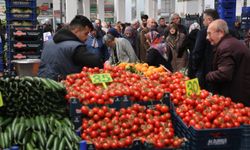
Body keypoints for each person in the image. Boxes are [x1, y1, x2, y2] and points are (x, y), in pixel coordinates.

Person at [38, 15, 103, 80]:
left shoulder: (48, 43)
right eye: (86, 34)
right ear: (77, 30)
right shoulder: (76, 47)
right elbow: (96, 62)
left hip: (43, 84)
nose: (87, 38)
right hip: (65, 86)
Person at [206, 19, 250, 106]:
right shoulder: (231, 42)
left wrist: (208, 75)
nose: (207, 37)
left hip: (237, 97)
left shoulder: (226, 47)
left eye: (209, 33)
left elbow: (224, 74)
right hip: (242, 91)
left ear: (221, 33)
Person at [190, 9, 219, 91]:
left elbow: (197, 52)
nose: (203, 22)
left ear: (209, 20)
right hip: (220, 72)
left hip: (204, 71)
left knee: (200, 95)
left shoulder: (203, 32)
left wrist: (194, 68)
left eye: (203, 19)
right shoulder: (227, 32)